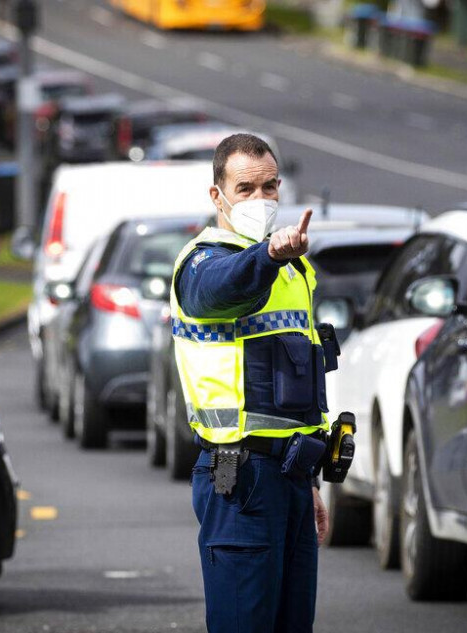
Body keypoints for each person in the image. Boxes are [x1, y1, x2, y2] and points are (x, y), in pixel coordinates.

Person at [170, 133, 333, 633]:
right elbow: (223, 289)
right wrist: (268, 257)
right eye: (245, 189)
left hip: (289, 477)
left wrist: (310, 484)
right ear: (217, 197)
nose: (260, 199)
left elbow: (299, 389)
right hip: (237, 477)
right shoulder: (201, 262)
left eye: (269, 187)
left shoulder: (293, 271)